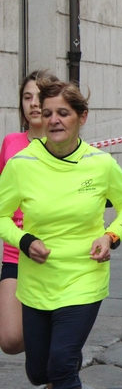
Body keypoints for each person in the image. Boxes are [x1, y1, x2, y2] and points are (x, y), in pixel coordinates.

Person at [0, 78, 122, 389]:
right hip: (36, 282)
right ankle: (62, 376)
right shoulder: (22, 163)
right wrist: (25, 238)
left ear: (82, 117)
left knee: (61, 364)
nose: (54, 120)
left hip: (83, 278)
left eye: (63, 113)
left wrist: (111, 237)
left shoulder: (100, 163)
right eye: (47, 114)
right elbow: (1, 215)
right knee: (39, 371)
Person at [0, 71, 58, 358]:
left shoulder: (62, 145)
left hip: (53, 251)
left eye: (40, 97)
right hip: (16, 249)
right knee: (10, 340)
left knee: (52, 352)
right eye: (27, 97)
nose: (34, 103)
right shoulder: (10, 142)